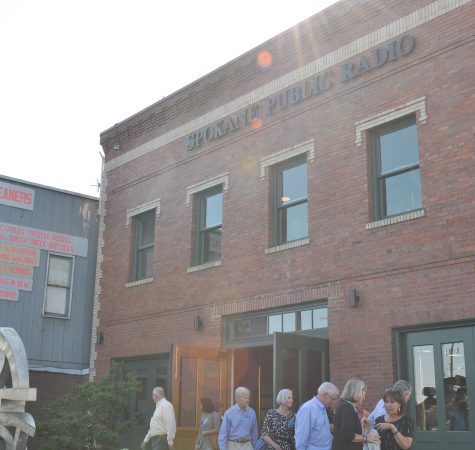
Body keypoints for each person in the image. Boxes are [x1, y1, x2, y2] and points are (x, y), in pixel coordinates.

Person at [332, 378, 380, 450]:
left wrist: (361, 425)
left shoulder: (347, 407)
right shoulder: (347, 408)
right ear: (358, 392)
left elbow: (348, 430)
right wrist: (366, 438)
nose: (364, 398)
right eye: (364, 394)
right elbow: (346, 434)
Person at [295, 381, 339, 450]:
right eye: (332, 399)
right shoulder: (308, 409)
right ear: (325, 395)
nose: (333, 402)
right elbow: (301, 440)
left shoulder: (323, 408)